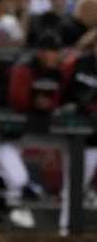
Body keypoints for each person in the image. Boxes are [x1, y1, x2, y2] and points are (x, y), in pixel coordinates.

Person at [0, 31, 64, 229]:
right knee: (17, 179)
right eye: (50, 51)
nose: (54, 56)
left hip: (20, 137)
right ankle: (9, 216)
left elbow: (54, 102)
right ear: (40, 52)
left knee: (2, 184)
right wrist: (37, 104)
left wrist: (44, 106)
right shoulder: (23, 68)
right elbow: (18, 100)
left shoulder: (55, 72)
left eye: (56, 51)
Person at [58, 37, 97, 235]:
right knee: (74, 184)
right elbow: (60, 91)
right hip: (78, 138)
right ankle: (66, 230)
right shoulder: (78, 64)